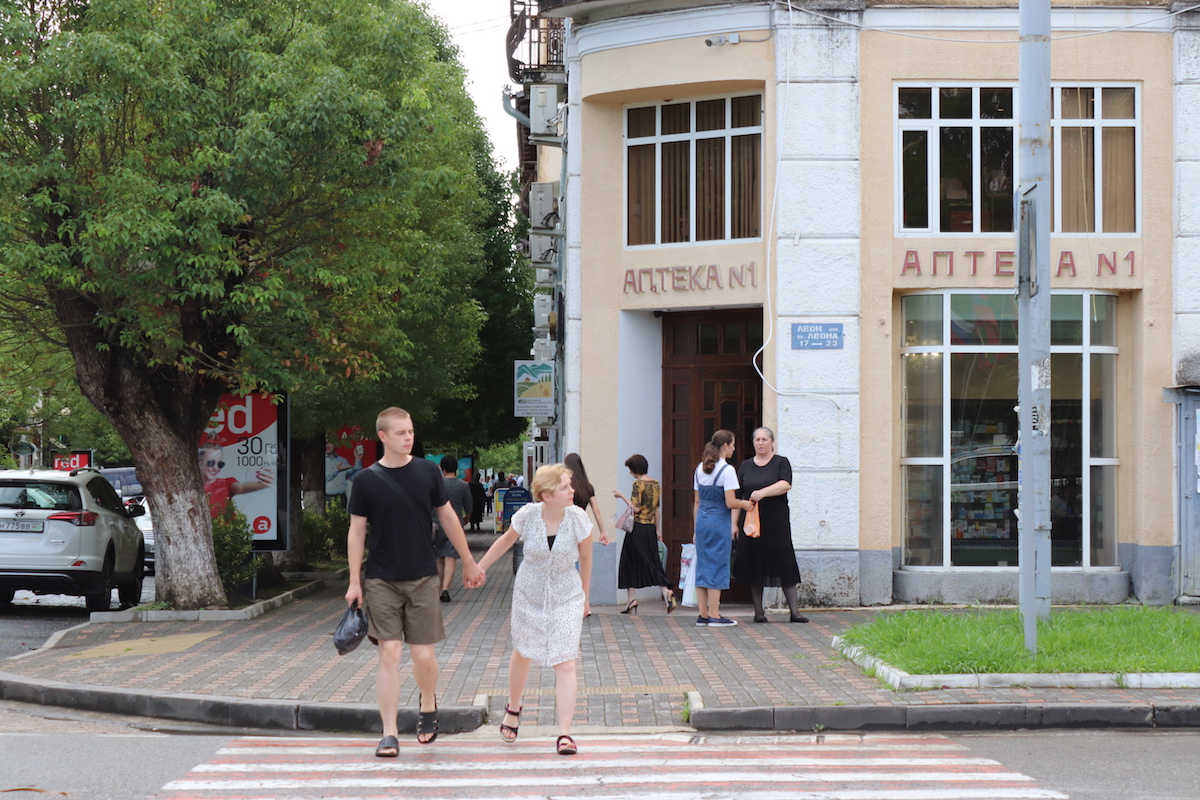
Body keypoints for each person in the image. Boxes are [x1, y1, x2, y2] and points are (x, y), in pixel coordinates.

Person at [344, 408, 485, 758]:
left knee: (423, 656)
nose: (409, 437)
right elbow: (357, 530)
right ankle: (389, 732)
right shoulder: (365, 480)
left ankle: (426, 701)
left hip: (424, 575)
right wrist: (353, 581)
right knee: (389, 652)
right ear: (383, 436)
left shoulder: (426, 472)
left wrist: (468, 561)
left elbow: (448, 517)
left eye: (410, 431)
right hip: (381, 578)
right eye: (401, 432)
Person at [474, 463, 593, 756]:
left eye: (570, 484)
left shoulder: (578, 518)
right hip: (530, 594)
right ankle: (513, 708)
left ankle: (564, 733)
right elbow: (505, 541)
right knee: (523, 651)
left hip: (567, 595)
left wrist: (586, 598)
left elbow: (587, 558)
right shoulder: (527, 515)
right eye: (565, 486)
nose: (572, 490)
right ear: (547, 494)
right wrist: (480, 567)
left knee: (566, 660)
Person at [735, 427, 808, 624]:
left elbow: (785, 484)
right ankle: (759, 612)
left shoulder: (781, 462)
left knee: (785, 564)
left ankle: (795, 612)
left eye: (764, 439)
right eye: (757, 439)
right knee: (754, 565)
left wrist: (763, 492)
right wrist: (734, 524)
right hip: (752, 524)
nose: (760, 443)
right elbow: (739, 496)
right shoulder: (745, 466)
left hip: (777, 523)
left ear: (772, 442)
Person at [692, 429, 753, 627]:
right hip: (719, 522)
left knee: (702, 567)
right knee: (717, 565)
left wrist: (695, 529)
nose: (734, 448)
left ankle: (703, 614)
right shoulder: (727, 471)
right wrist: (744, 504)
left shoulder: (700, 468)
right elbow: (730, 502)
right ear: (725, 446)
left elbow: (697, 501)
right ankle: (715, 615)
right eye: (733, 444)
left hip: (702, 521)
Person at [613, 453, 677, 615]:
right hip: (650, 528)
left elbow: (636, 509)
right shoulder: (656, 484)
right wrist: (658, 530)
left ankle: (633, 599)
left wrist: (621, 496)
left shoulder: (638, 485)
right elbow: (657, 510)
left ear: (635, 469)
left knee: (629, 560)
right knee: (652, 561)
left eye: (630, 469)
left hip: (638, 528)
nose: (629, 473)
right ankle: (664, 592)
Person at [433, 455, 472, 603]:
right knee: (450, 557)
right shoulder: (463, 485)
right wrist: (466, 519)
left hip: (436, 523)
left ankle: (437, 590)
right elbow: (468, 506)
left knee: (438, 559)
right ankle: (445, 588)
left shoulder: (437, 485)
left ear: (442, 468)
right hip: (455, 525)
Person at [198, 441, 273, 514]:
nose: (215, 468)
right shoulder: (191, 487)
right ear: (200, 462)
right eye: (211, 463)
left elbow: (241, 488)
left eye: (220, 464)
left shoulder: (226, 483)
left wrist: (263, 484)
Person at [564, 453, 610, 546]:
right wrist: (603, 532)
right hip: (582, 525)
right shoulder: (588, 487)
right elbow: (596, 510)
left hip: (566, 524)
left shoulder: (567, 486)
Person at [324, 442, 363, 507]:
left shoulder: (343, 460)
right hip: (326, 498)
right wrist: (337, 470)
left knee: (342, 516)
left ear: (335, 444)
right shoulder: (320, 461)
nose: (327, 446)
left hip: (341, 497)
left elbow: (355, 477)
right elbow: (319, 480)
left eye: (330, 442)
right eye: (325, 443)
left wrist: (358, 459)